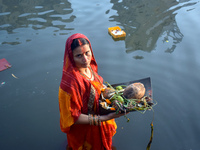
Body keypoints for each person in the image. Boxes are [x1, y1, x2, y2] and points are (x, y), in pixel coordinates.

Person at [58, 33, 126, 150]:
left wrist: (116, 96)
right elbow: (73, 118)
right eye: (79, 55)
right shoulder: (70, 83)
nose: (85, 59)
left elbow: (97, 87)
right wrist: (105, 118)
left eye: (87, 53)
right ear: (71, 57)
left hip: (98, 118)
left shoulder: (90, 67)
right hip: (83, 130)